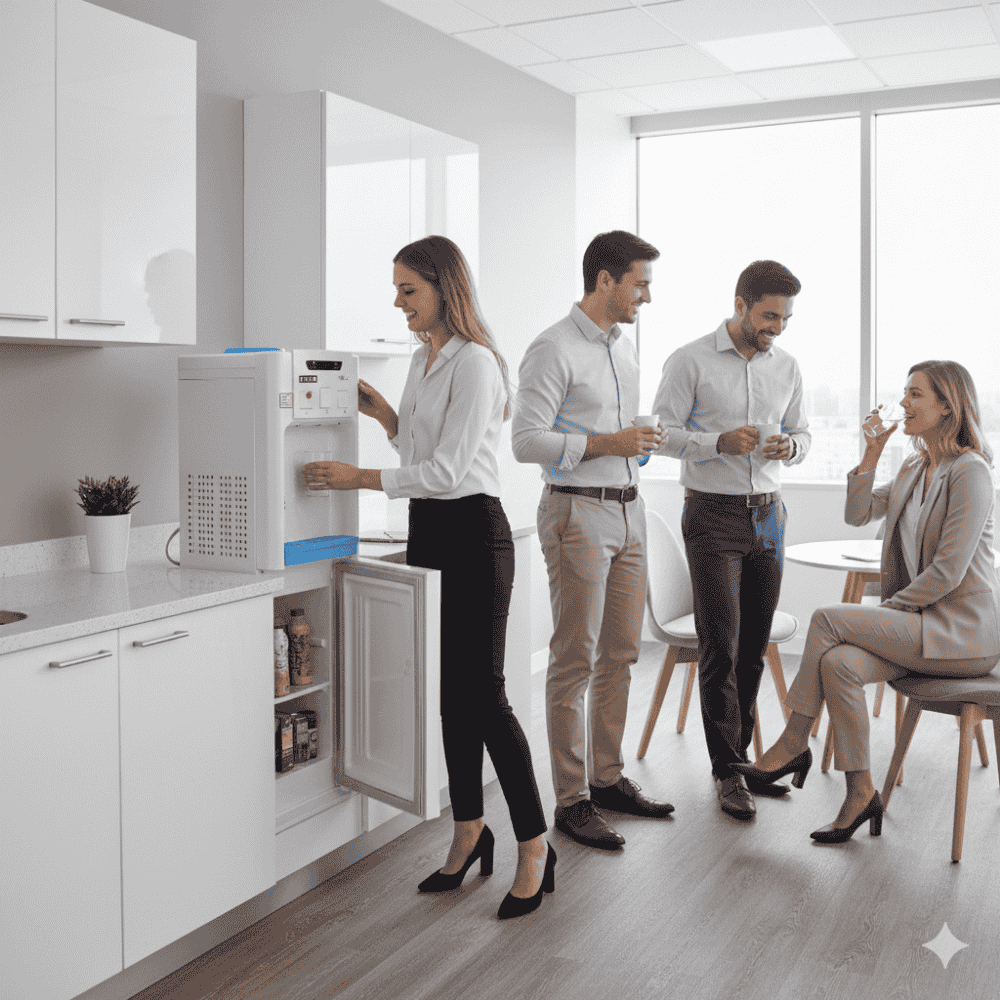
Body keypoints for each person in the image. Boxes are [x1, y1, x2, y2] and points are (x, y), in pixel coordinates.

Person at [303, 235, 553, 919]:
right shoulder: (425, 357)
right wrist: (386, 413)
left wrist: (358, 478)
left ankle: (535, 843)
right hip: (431, 533)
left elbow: (446, 473)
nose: (398, 301)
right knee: (449, 695)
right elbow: (421, 451)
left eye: (408, 289)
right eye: (397, 289)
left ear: (445, 288)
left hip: (473, 532)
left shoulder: (477, 365)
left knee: (487, 696)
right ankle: (469, 829)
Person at [734, 360, 1000, 842]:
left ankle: (793, 741)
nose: (902, 404)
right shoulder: (916, 466)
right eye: (905, 393)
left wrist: (885, 615)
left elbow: (947, 573)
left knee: (827, 619)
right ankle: (861, 793)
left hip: (961, 635)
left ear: (947, 405)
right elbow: (857, 514)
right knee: (838, 663)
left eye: (915, 395)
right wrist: (871, 453)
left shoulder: (971, 472)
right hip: (922, 630)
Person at [512, 230, 675, 852]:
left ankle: (607, 779)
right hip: (576, 515)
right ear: (604, 280)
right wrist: (608, 445)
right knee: (574, 660)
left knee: (622, 655)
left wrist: (638, 445)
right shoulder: (552, 349)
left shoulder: (622, 351)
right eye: (641, 283)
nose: (647, 296)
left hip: (629, 511)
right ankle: (571, 800)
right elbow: (526, 442)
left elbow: (616, 435)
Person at [651, 260, 810, 820]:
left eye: (786, 317)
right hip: (713, 514)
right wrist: (718, 442)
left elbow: (803, 432)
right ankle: (726, 774)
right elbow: (661, 435)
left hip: (769, 515)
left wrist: (790, 449)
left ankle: (742, 763)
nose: (778, 327)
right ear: (741, 303)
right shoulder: (690, 360)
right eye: (769, 315)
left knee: (754, 646)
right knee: (720, 644)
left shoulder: (786, 366)